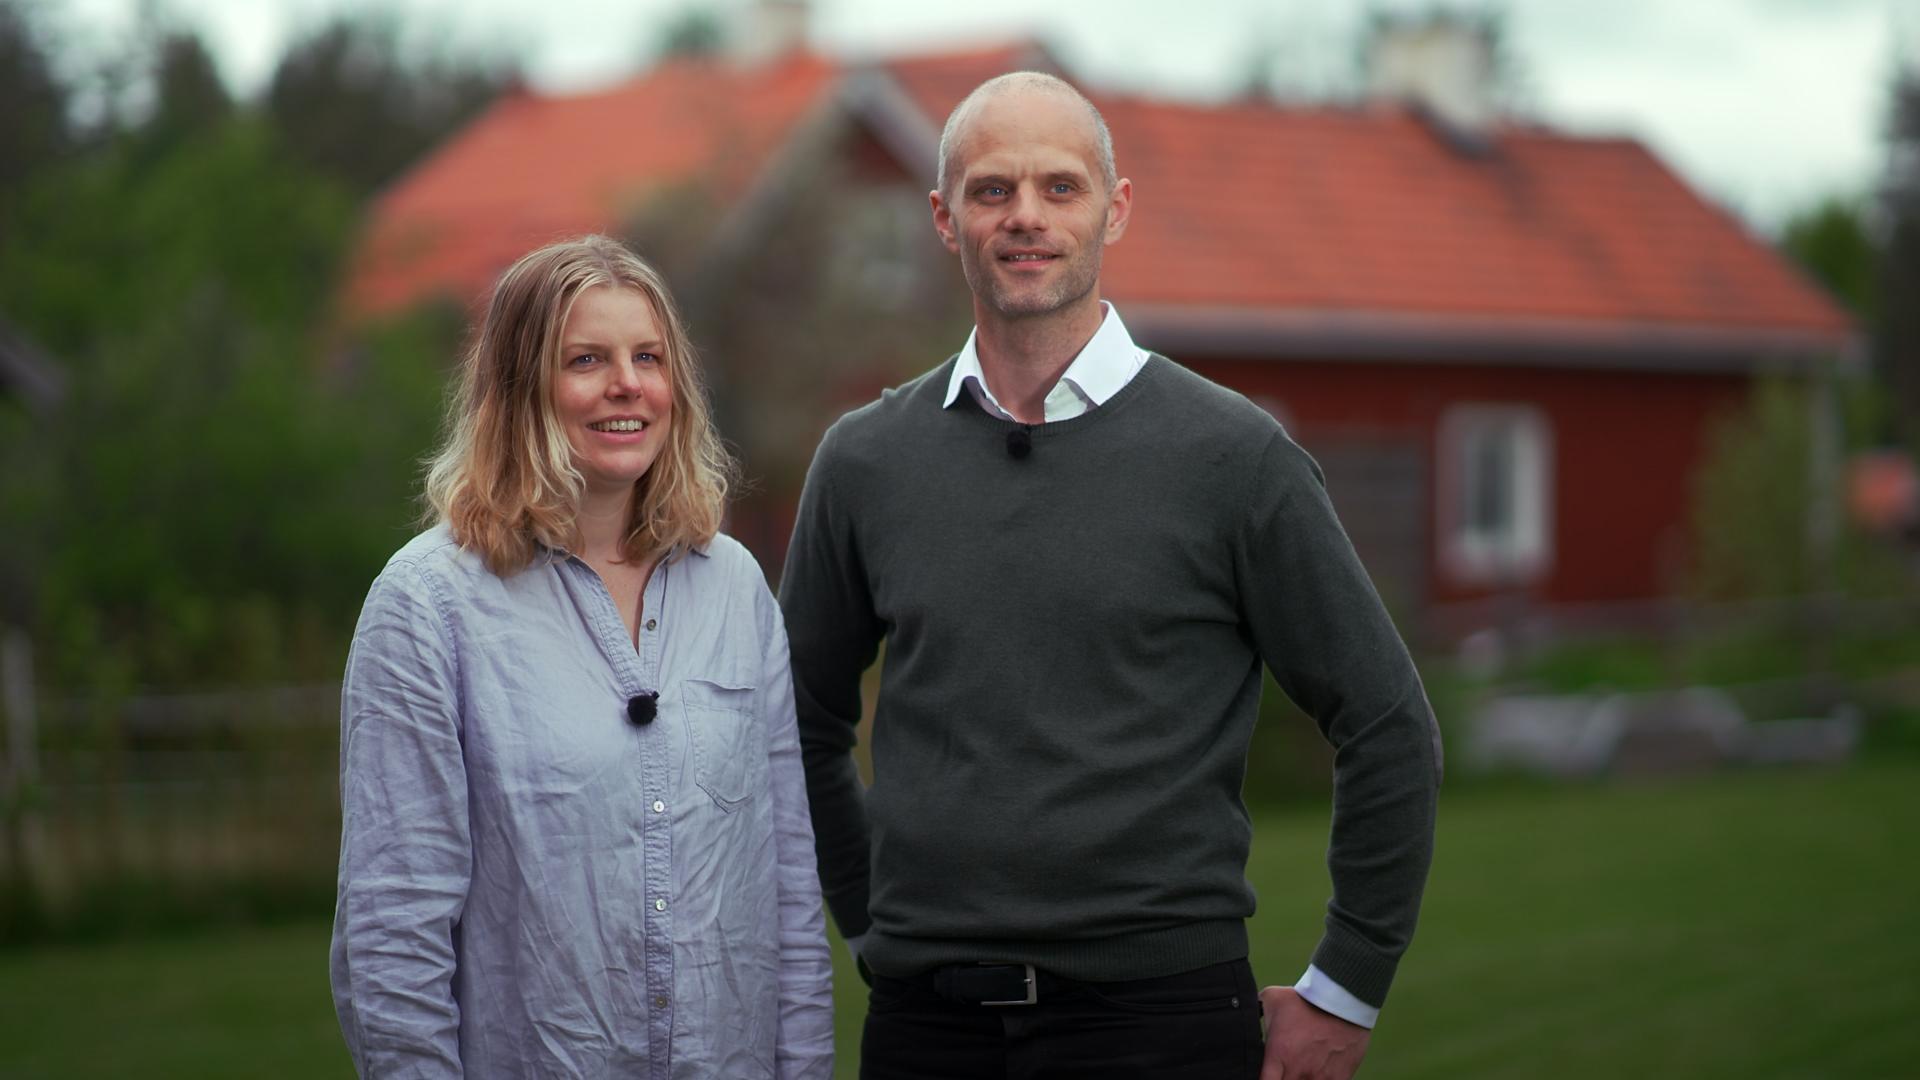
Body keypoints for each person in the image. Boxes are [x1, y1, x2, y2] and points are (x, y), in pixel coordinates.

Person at [779, 73, 1441, 1079]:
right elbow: (800, 719)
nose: (1026, 217)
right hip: (927, 1031)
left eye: (1061, 186)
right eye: (993, 190)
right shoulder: (866, 462)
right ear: (944, 218)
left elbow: (1388, 724)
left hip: (1160, 1023)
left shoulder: (1234, 459)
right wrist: (872, 919)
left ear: (1115, 209)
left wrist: (1345, 989)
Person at [331, 235, 833, 1079]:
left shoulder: (737, 588)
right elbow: (393, 931)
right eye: (586, 360)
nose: (626, 385)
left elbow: (784, 888)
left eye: (648, 357)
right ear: (520, 390)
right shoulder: (428, 605)